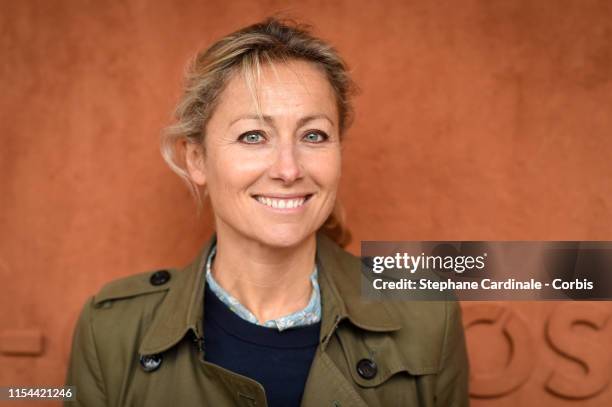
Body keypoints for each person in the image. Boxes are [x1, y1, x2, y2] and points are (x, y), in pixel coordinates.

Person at [65, 17, 469, 407]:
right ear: (197, 160)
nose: (289, 170)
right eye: (253, 136)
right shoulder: (110, 329)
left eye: (314, 135)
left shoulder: (429, 316)